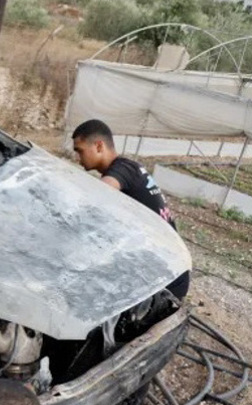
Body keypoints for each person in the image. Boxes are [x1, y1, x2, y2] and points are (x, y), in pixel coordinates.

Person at [71, 119, 189, 299]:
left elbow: (93, 197)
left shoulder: (123, 169)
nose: (77, 159)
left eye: (80, 151)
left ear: (99, 146)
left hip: (166, 280)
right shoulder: (129, 168)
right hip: (166, 269)